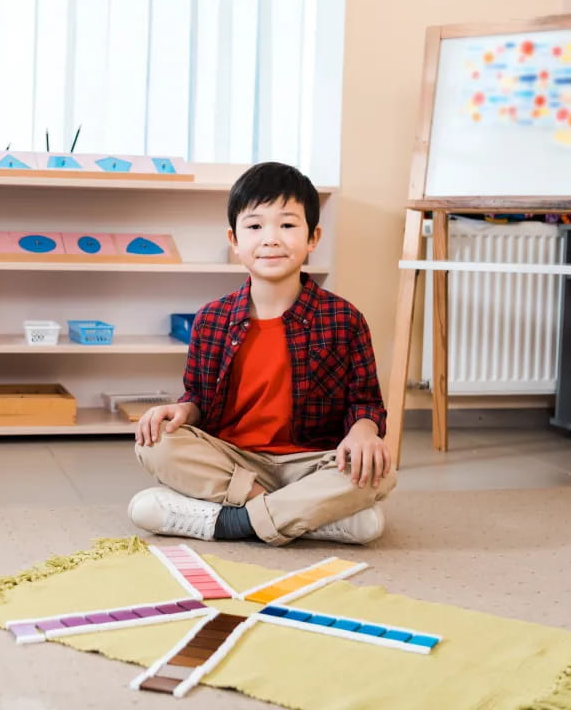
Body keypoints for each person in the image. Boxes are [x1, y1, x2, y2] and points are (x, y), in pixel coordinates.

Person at [128, 162, 396, 547]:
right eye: (254, 227)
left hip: (311, 463)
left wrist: (365, 432)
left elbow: (365, 402)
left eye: (287, 225)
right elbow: (198, 398)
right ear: (234, 240)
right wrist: (181, 412)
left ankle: (228, 522)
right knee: (154, 442)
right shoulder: (212, 318)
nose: (270, 239)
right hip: (234, 461)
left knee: (382, 471)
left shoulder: (343, 318)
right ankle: (308, 518)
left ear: (313, 237)